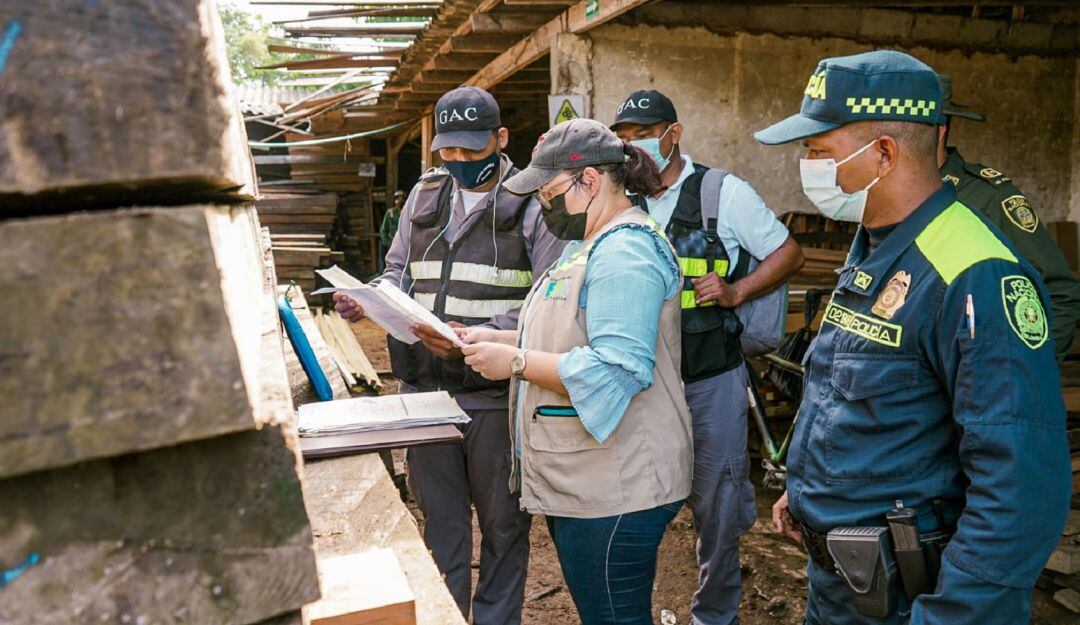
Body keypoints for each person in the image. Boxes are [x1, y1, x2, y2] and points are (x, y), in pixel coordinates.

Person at [756, 50, 1071, 624]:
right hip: (844, 583)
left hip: (910, 601)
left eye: (818, 151)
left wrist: (952, 615)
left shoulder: (974, 273)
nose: (806, 165)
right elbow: (857, 397)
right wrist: (808, 494)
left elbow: (1021, 490)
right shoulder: (877, 243)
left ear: (883, 154)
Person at [334, 86, 565, 625]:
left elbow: (550, 303)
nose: (459, 161)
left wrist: (481, 335)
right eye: (449, 151)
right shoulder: (424, 196)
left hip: (495, 397)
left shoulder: (532, 204)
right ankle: (447, 617)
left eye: (471, 149)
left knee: (504, 526)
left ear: (501, 139)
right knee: (441, 525)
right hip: (423, 393)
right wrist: (368, 297)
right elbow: (397, 271)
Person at [458, 118, 693, 625]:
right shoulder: (587, 245)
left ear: (588, 181)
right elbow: (572, 331)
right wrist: (504, 339)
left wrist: (517, 363)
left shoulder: (626, 251)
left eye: (548, 193)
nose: (543, 207)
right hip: (592, 477)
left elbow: (618, 367)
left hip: (619, 486)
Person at [611, 89, 805, 625]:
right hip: (645, 380)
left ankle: (716, 615)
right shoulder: (624, 199)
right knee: (637, 498)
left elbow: (789, 252)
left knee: (718, 502)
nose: (635, 147)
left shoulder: (722, 193)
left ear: (674, 134)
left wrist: (738, 291)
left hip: (711, 376)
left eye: (644, 134)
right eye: (625, 139)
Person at [936, 74, 1080, 360]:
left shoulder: (989, 198)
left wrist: (1027, 376)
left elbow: (1060, 293)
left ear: (936, 130)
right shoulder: (890, 201)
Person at [377, 190, 405, 272]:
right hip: (392, 243)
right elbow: (383, 230)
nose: (399, 201)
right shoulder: (390, 213)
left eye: (401, 199)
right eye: (397, 199)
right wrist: (387, 242)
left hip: (404, 244)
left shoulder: (407, 213)